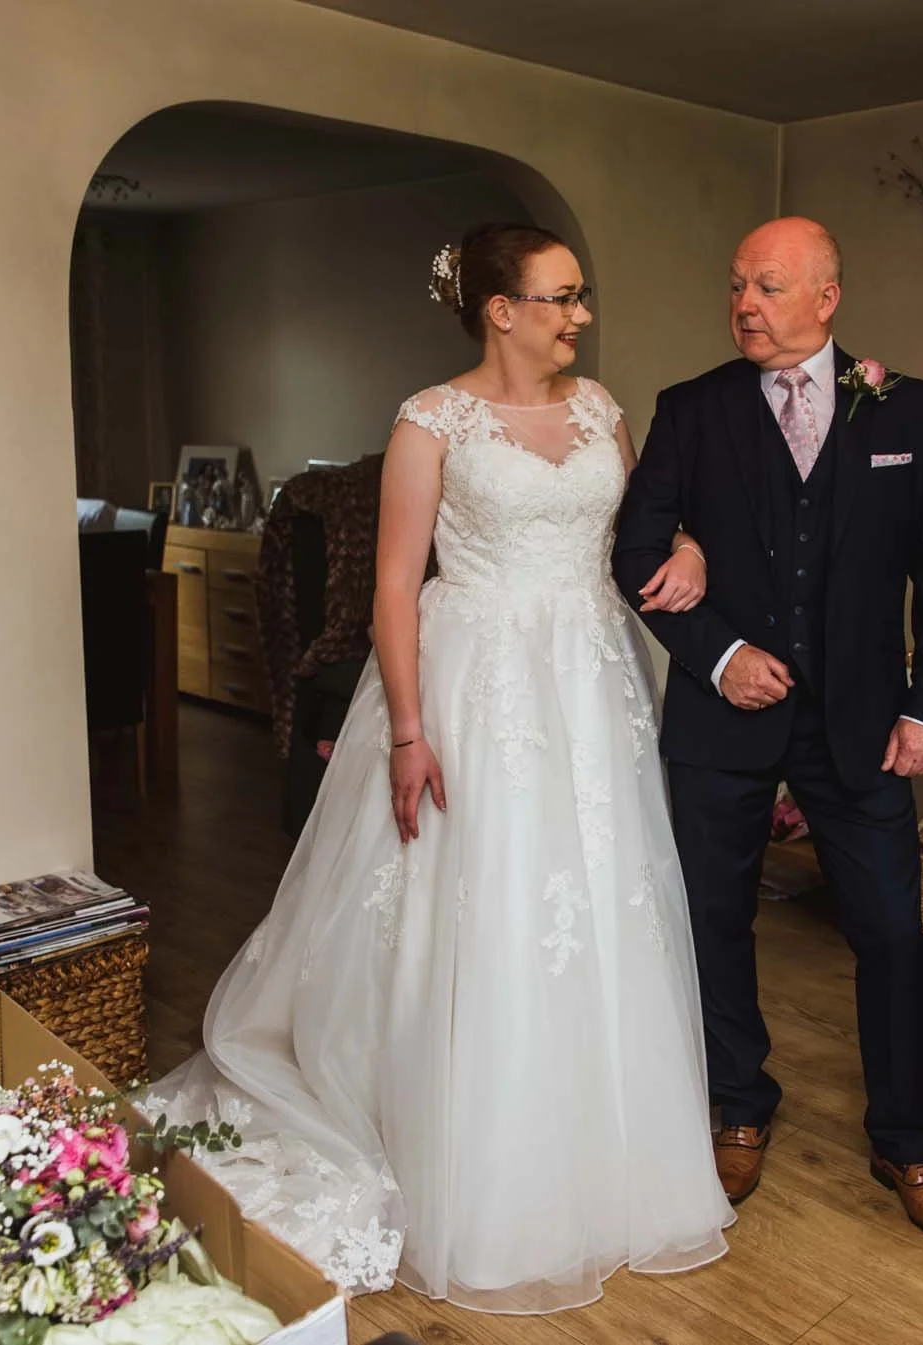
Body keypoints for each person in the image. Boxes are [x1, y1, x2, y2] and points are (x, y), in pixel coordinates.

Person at [144, 223, 734, 1314]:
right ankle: (478, 1159)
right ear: (500, 310)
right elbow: (393, 587)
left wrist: (689, 546)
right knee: (487, 897)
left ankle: (608, 1152)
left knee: (601, 894)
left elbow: (641, 532)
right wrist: (410, 732)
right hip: (479, 685)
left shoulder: (601, 409)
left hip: (589, 680)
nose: (581, 315)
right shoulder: (431, 422)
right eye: (561, 296)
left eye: (582, 296)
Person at [611, 216, 923, 1247]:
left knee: (891, 931)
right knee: (713, 919)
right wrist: (720, 653)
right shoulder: (691, 410)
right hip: (720, 722)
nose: (744, 305)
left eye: (767, 287)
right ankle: (738, 1105)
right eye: (736, 285)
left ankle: (907, 1141)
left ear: (827, 297)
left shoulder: (909, 409)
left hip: (863, 723)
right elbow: (635, 548)